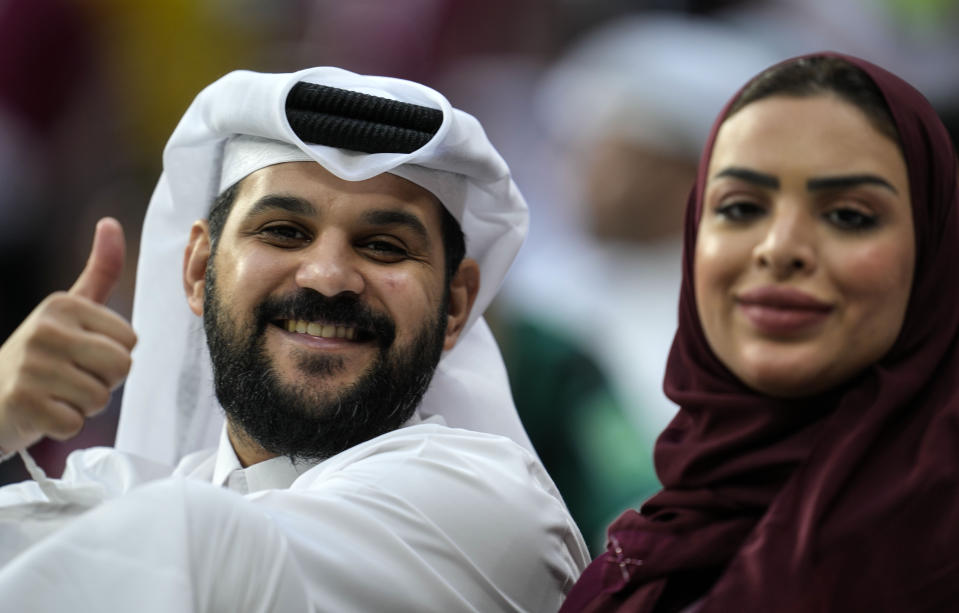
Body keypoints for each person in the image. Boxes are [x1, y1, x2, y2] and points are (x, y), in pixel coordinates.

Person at [0, 67, 589, 611]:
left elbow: (192, 553)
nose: (328, 277)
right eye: (283, 232)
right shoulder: (121, 491)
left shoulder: (486, 506)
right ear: (198, 269)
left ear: (456, 304)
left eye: (383, 245)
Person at [560, 52, 959, 612]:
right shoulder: (636, 562)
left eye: (849, 215)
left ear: (933, 250)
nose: (779, 249)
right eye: (742, 207)